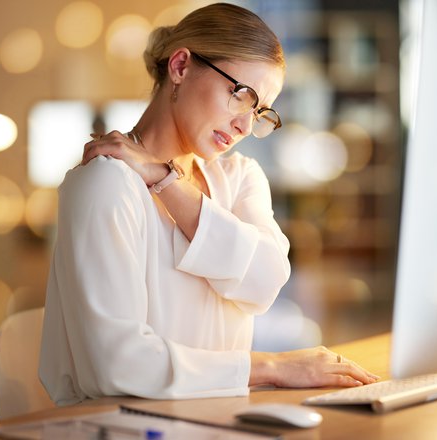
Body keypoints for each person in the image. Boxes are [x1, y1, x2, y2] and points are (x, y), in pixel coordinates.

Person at [39, 2, 379, 406]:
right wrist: (271, 368)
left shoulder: (238, 177)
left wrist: (165, 180)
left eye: (260, 111)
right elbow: (118, 367)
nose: (246, 126)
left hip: (218, 420)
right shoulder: (103, 184)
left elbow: (265, 282)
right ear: (180, 66)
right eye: (241, 96)